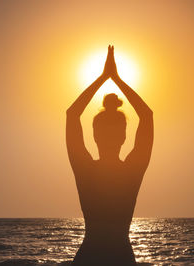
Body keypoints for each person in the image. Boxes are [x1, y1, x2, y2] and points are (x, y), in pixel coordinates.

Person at [66, 45, 154, 265]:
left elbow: (72, 114)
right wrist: (116, 78)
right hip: (121, 256)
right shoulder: (133, 170)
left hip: (89, 255)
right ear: (124, 136)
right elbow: (147, 115)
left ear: (94, 135)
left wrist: (104, 77)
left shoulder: (84, 168)